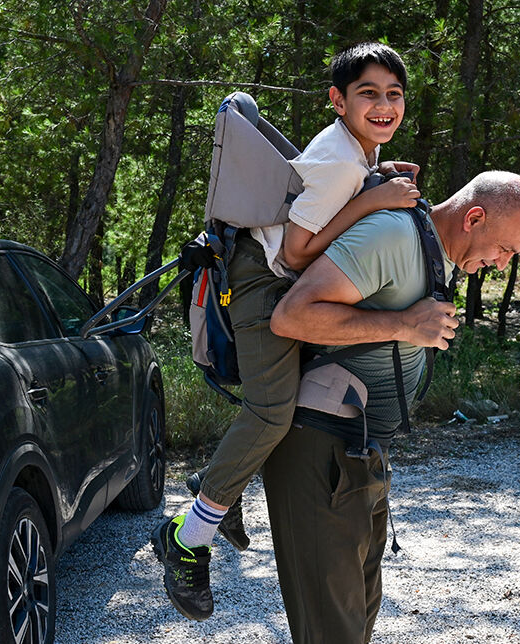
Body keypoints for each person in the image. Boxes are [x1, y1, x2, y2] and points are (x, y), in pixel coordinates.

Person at [151, 42, 421, 621]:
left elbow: (326, 200)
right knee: (272, 411)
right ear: (337, 100)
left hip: (270, 271)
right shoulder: (345, 162)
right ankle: (185, 536)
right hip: (261, 279)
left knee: (285, 406)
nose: (383, 106)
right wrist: (372, 198)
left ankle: (223, 486)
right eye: (367, 94)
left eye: (393, 95)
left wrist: (375, 181)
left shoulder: (355, 154)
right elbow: (299, 250)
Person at [265, 170, 520, 644]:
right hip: (320, 450)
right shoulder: (393, 235)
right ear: (474, 218)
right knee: (333, 632)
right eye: (506, 250)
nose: (501, 264)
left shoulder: (435, 254)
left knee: (357, 621)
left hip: (361, 453)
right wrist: (402, 326)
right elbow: (292, 316)